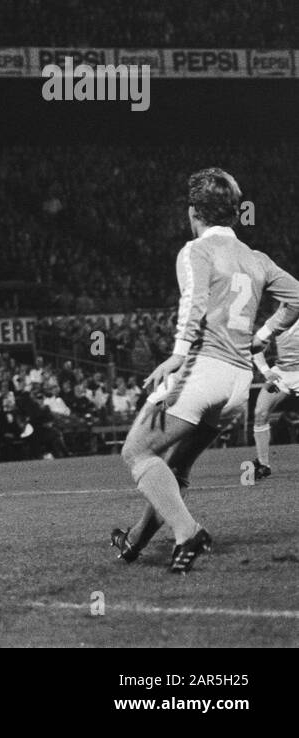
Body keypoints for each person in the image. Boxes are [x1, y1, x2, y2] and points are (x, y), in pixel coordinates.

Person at [114, 169, 299, 573]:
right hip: (237, 387)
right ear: (234, 213)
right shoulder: (257, 259)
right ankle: (134, 543)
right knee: (175, 467)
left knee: (137, 451)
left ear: (194, 210)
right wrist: (264, 334)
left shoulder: (196, 250)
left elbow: (193, 302)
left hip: (204, 370)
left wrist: (179, 354)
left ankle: (188, 532)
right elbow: (297, 298)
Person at [250, 320, 299, 478]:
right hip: (282, 373)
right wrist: (265, 371)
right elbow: (255, 346)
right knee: (260, 413)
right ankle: (263, 465)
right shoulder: (276, 321)